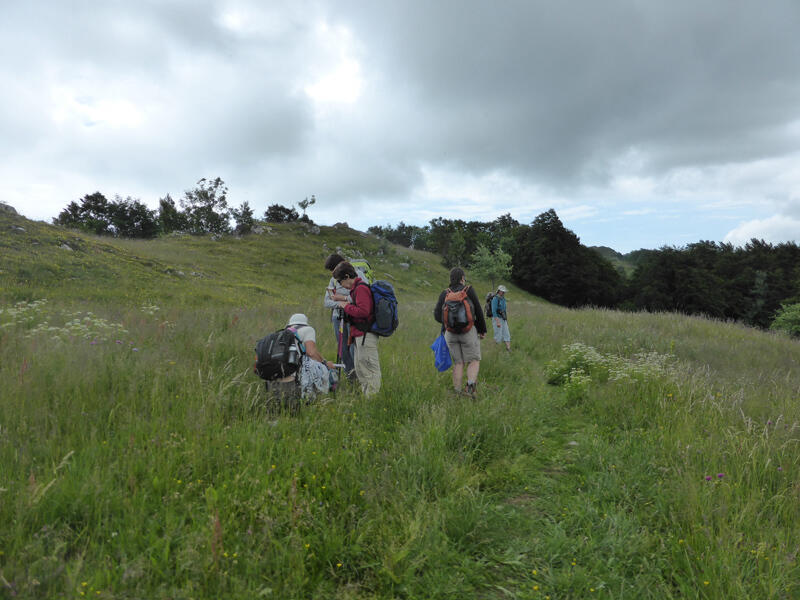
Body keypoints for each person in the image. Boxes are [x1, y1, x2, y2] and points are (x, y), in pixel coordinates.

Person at [433, 267, 487, 397]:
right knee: (474, 360)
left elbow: (437, 315)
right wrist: (482, 330)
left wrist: (448, 323)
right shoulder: (468, 290)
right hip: (468, 332)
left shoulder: (445, 293)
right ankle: (470, 388)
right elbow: (478, 311)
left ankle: (457, 392)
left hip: (450, 334)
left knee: (458, 362)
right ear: (462, 278)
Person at [266, 313, 336, 411]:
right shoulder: (308, 329)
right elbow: (311, 352)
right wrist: (325, 363)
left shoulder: (282, 332)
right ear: (305, 322)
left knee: (278, 407)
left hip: (275, 371)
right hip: (294, 372)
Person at [332, 260, 381, 396]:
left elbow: (364, 311)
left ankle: (372, 398)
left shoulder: (361, 288)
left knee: (370, 369)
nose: (341, 285)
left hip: (366, 335)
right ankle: (367, 396)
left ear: (347, 276)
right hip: (359, 335)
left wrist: (346, 306)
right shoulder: (355, 290)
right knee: (360, 369)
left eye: (340, 281)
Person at [323, 253, 358, 380]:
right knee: (342, 348)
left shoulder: (356, 274)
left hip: (354, 317)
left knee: (354, 348)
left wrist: (342, 299)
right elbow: (326, 302)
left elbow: (361, 296)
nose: (334, 274)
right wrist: (341, 304)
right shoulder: (333, 280)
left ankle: (358, 373)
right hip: (338, 317)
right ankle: (350, 376)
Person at [491, 285, 511, 352]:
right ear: (499, 291)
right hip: (497, 319)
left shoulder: (503, 299)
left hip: (503, 319)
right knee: (498, 335)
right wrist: (497, 322)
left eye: (504, 291)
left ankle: (508, 349)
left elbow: (504, 310)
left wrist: (505, 320)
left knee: (507, 334)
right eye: (502, 291)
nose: (504, 292)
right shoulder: (495, 299)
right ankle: (496, 351)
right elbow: (494, 311)